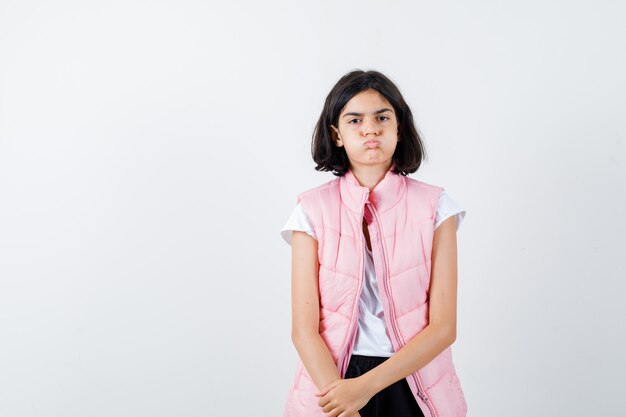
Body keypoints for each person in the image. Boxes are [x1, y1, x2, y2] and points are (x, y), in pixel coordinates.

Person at [280, 69, 468, 417]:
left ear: (399, 128)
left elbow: (443, 328)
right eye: (355, 120)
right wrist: (344, 403)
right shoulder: (310, 210)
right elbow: (304, 330)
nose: (370, 129)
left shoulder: (437, 207)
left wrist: (364, 389)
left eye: (382, 117)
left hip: (414, 381)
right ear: (336, 134)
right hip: (332, 383)